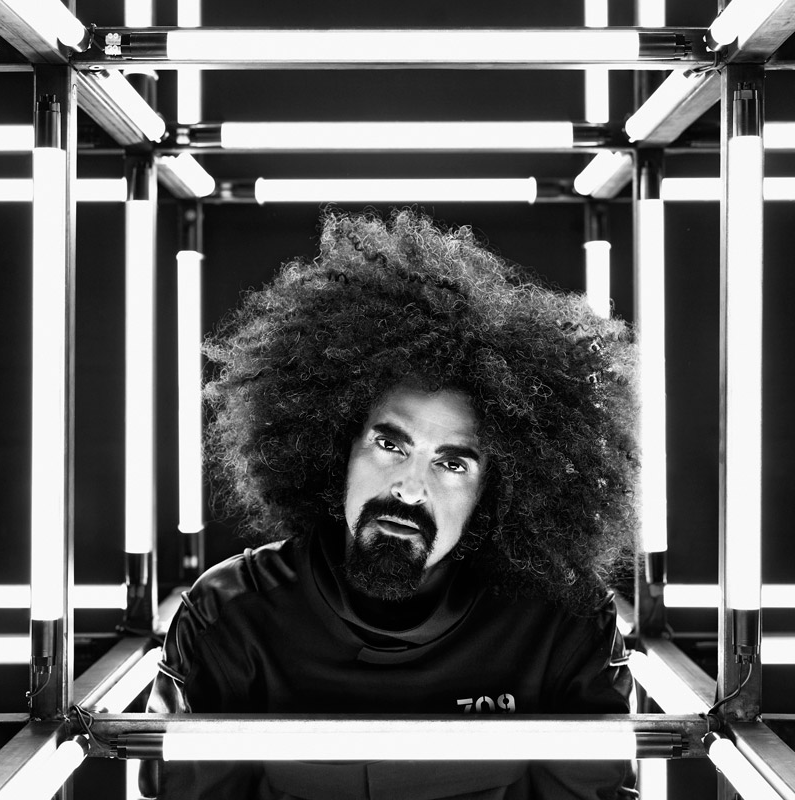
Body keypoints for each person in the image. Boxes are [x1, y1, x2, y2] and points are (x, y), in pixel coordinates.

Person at [141, 209, 640, 799]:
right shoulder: (232, 617)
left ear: (496, 492)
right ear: (336, 448)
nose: (409, 488)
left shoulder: (561, 622)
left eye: (452, 463)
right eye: (390, 445)